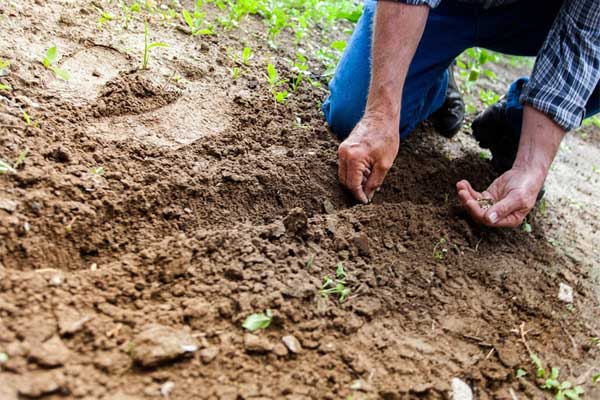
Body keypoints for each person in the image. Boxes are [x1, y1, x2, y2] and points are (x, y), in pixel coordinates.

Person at [322, 0, 599, 228]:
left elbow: (584, 37)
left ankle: (515, 124)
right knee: (353, 114)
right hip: (442, 6)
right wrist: (380, 114)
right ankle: (433, 80)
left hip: (535, 16)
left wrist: (531, 167)